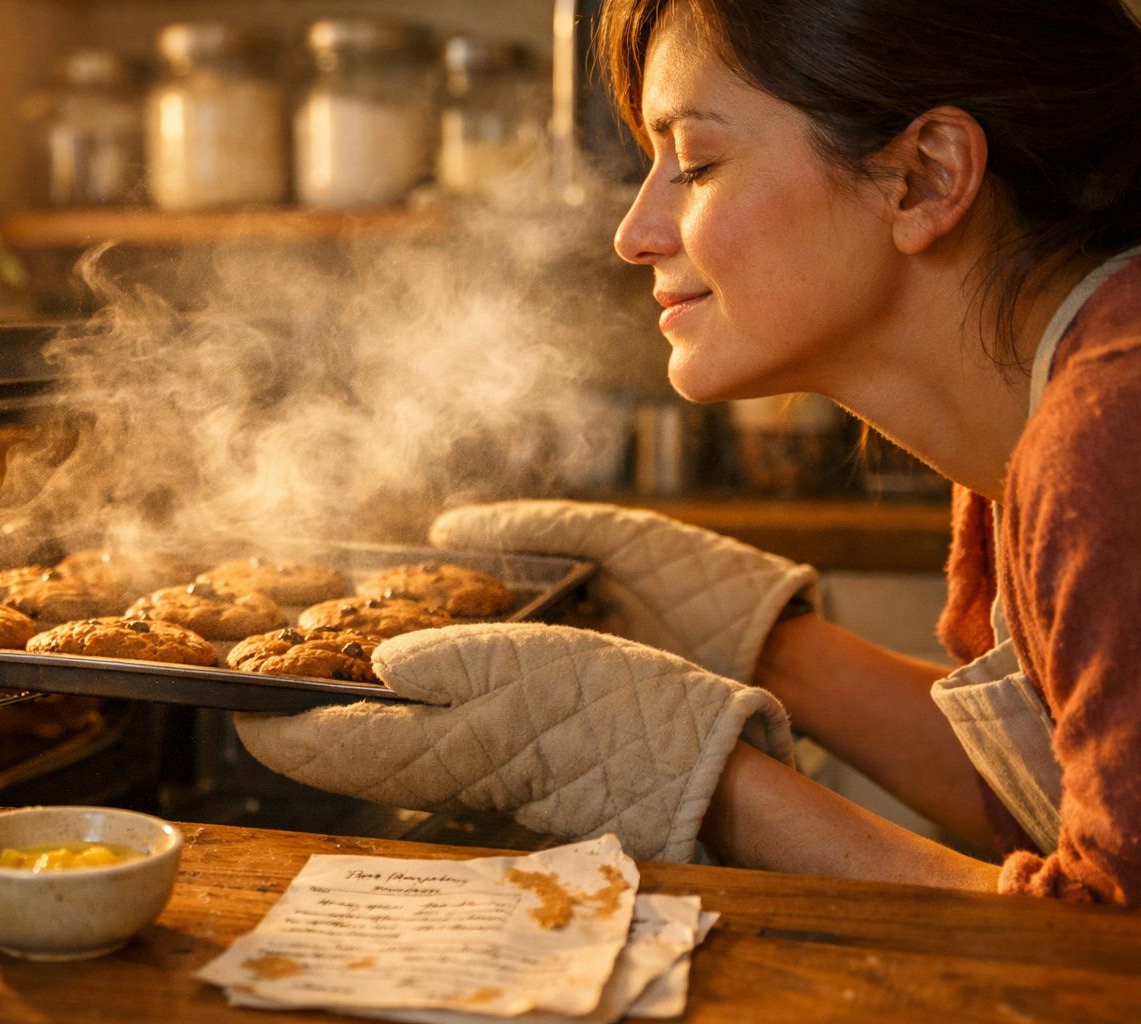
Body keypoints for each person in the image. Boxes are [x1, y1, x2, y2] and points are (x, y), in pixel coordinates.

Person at [236, 0, 1141, 906]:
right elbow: (1069, 799)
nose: (633, 234)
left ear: (924, 176)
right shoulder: (1040, 415)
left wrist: (692, 777)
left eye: (697, 166)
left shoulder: (1110, 437)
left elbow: (1100, 955)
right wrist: (768, 647)